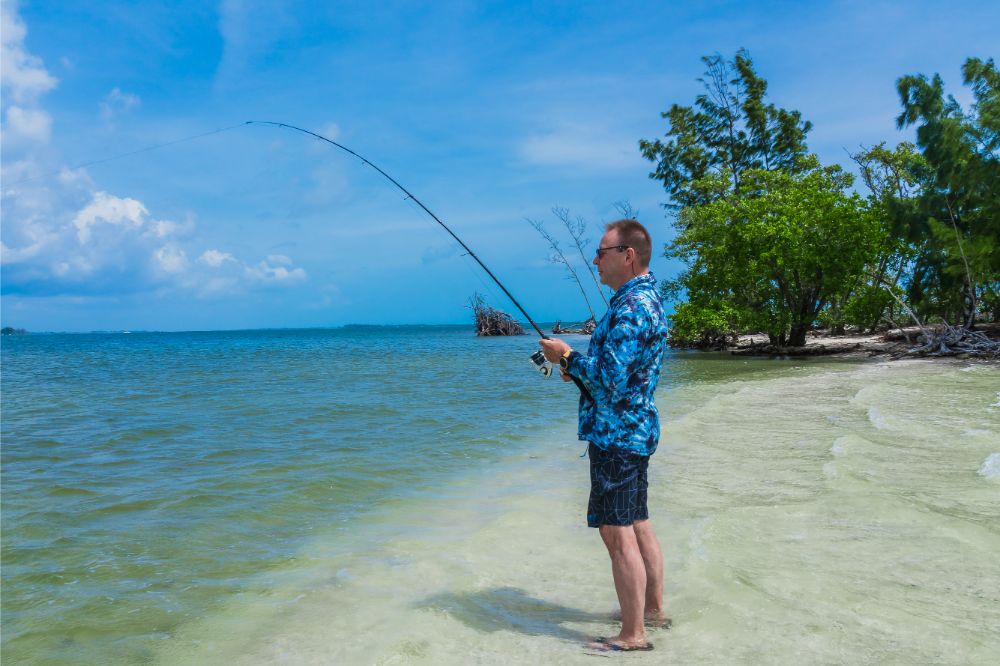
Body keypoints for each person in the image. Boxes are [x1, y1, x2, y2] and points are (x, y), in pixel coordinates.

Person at [539, 218, 669, 653]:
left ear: (627, 255)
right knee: (636, 522)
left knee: (616, 532)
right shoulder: (641, 298)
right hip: (633, 429)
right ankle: (650, 611)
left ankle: (634, 636)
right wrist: (575, 370)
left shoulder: (633, 306)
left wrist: (568, 356)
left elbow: (610, 379)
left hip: (618, 436)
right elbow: (620, 375)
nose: (595, 260)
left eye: (602, 252)